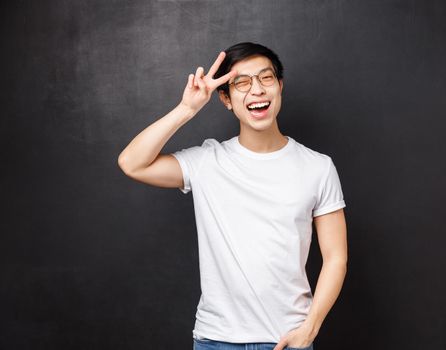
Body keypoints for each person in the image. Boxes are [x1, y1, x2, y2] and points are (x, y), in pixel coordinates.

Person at [118, 42, 348, 350]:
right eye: (242, 83)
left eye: (266, 78)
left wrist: (311, 327)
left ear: (279, 86)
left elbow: (336, 257)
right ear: (225, 98)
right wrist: (187, 109)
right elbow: (132, 163)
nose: (257, 90)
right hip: (216, 341)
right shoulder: (206, 162)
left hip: (287, 339)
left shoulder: (318, 167)